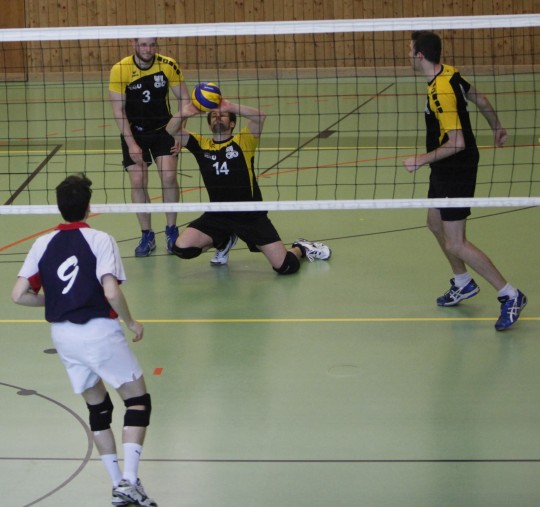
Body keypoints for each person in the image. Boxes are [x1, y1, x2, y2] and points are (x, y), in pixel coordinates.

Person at [11, 174, 157, 507]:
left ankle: (118, 486)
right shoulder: (100, 239)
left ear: (59, 207)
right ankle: (130, 480)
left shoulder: (42, 243)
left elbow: (18, 295)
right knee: (137, 401)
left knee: (98, 408)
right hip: (99, 331)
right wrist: (131, 323)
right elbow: (111, 291)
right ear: (89, 207)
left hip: (64, 337)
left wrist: (57, 301)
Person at [403, 30, 527, 331]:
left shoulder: (440, 91)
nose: (408, 55)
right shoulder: (449, 74)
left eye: (410, 51)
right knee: (434, 222)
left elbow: (457, 142)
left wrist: (421, 159)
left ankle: (510, 294)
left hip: (455, 167)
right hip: (445, 167)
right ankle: (463, 282)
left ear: (420, 55)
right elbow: (480, 98)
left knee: (456, 243)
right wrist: (496, 126)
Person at [165, 98, 331, 273]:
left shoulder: (243, 141)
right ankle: (223, 240)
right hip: (217, 214)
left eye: (223, 115)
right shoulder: (201, 144)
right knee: (181, 248)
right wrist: (184, 112)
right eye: (213, 116)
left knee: (286, 267)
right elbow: (171, 129)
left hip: (249, 214)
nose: (217, 117)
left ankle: (302, 248)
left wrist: (231, 106)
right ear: (209, 125)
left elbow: (260, 117)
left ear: (232, 124)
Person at [109, 37, 190, 257]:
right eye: (144, 45)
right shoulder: (120, 69)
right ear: (134, 44)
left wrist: (180, 130)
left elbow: (184, 98)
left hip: (165, 129)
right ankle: (147, 234)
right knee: (138, 181)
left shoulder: (168, 65)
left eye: (152, 45)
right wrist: (131, 144)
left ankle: (171, 229)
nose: (148, 49)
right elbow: (118, 111)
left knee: (169, 177)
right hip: (134, 132)